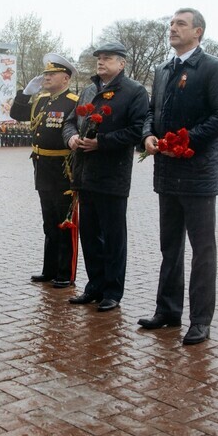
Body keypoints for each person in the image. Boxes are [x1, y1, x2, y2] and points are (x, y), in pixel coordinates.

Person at [137, 8, 218, 345]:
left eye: (180, 24)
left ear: (199, 32)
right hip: (166, 172)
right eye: (171, 24)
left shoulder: (213, 68)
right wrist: (149, 136)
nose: (172, 28)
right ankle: (167, 311)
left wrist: (184, 141)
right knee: (170, 247)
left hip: (197, 173)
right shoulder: (163, 70)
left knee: (202, 249)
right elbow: (152, 111)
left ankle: (200, 320)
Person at [63, 42, 148, 312]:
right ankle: (94, 286)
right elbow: (68, 121)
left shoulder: (134, 92)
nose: (101, 62)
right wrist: (72, 138)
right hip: (84, 174)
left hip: (113, 175)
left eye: (107, 58)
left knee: (113, 237)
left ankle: (113, 291)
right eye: (99, 58)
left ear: (122, 63)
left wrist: (102, 142)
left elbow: (136, 131)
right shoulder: (88, 90)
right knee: (89, 235)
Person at [10, 53, 79, 289]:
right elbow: (17, 114)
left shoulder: (73, 101)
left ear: (66, 78)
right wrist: (25, 94)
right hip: (42, 167)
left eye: (52, 74)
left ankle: (65, 272)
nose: (46, 77)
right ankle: (49, 269)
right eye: (46, 73)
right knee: (49, 222)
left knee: (64, 223)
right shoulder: (40, 100)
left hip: (63, 170)